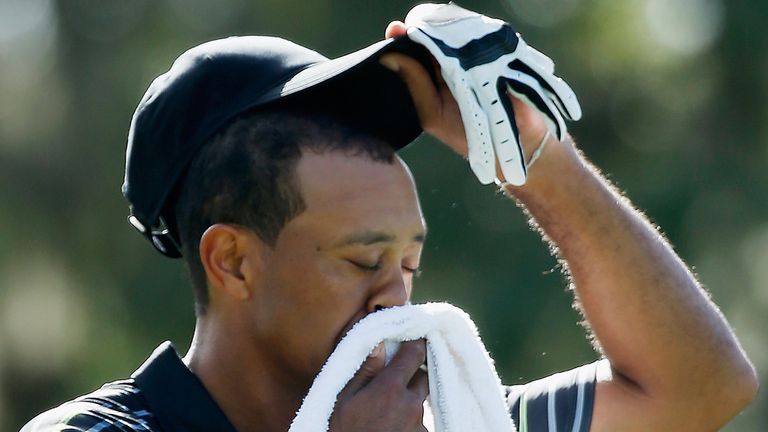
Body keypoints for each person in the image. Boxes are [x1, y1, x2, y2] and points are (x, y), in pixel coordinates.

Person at [22, 11, 757, 432]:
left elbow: (701, 385)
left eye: (410, 263)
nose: (397, 302)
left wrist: (539, 162)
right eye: (361, 261)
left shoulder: (451, 418)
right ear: (233, 261)